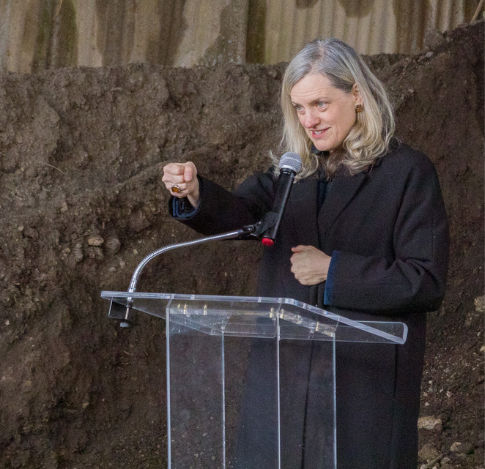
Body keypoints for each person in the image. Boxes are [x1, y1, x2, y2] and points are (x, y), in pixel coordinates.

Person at [161, 38, 449, 468]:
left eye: (319, 103)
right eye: (299, 108)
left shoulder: (407, 173)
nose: (309, 120)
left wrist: (334, 270)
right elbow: (240, 214)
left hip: (360, 392)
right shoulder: (293, 174)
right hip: (283, 389)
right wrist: (196, 192)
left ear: (356, 94)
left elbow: (425, 281)